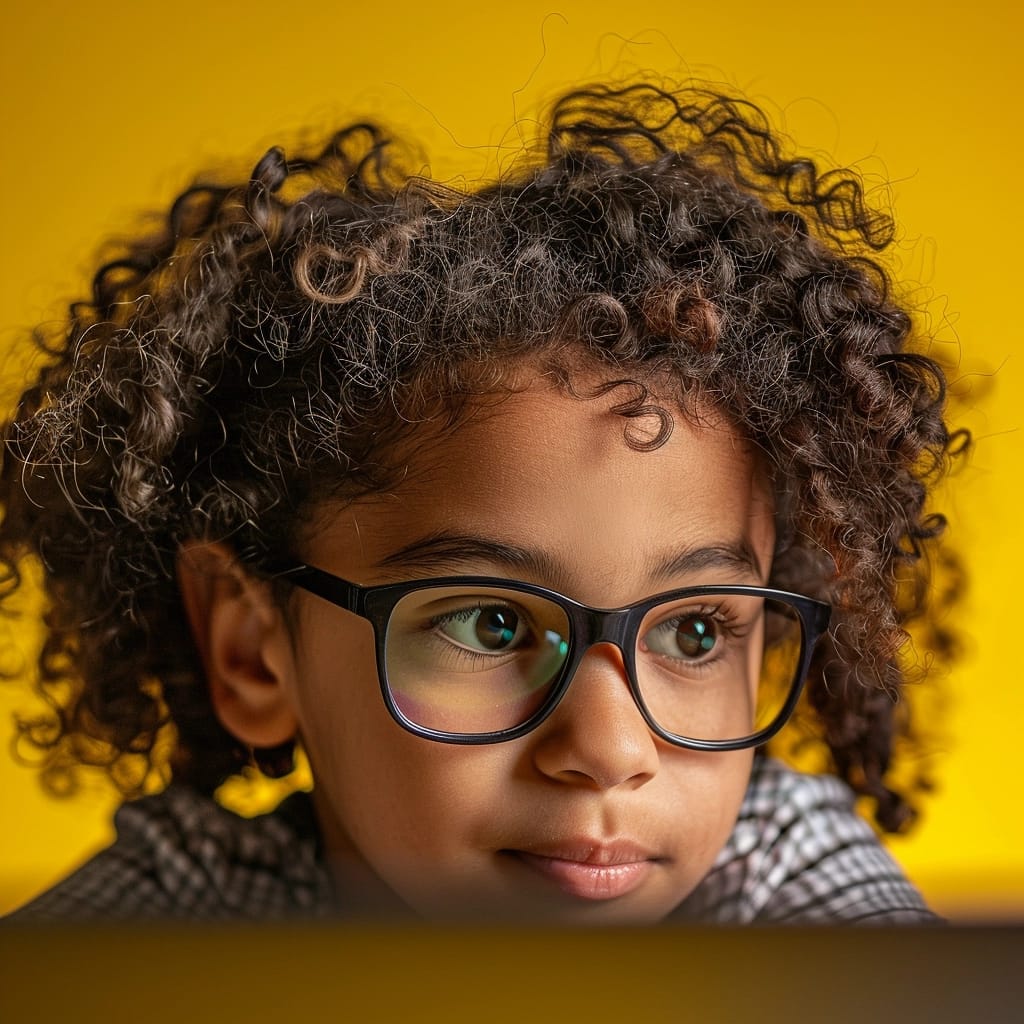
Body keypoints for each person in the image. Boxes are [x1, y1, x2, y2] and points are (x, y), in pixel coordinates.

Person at [1, 82, 960, 924]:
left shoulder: (779, 877)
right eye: (493, 623)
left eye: (698, 633)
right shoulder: (186, 921)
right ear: (252, 649)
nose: (610, 749)